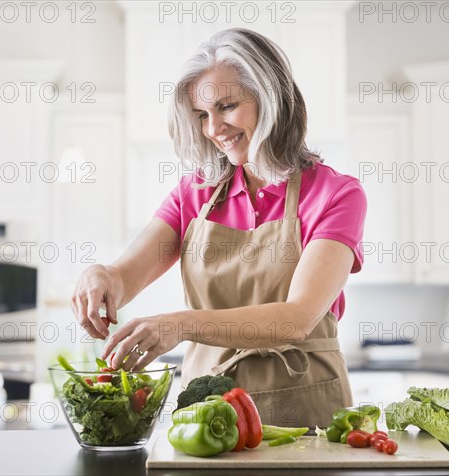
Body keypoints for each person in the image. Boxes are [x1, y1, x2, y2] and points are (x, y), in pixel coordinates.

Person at [71, 28, 366, 427]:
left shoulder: (336, 194)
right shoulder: (195, 193)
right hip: (210, 411)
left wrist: (181, 324)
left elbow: (297, 318)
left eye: (226, 106)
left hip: (308, 407)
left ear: (271, 98)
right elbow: (124, 278)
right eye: (202, 115)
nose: (213, 129)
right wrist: (100, 275)